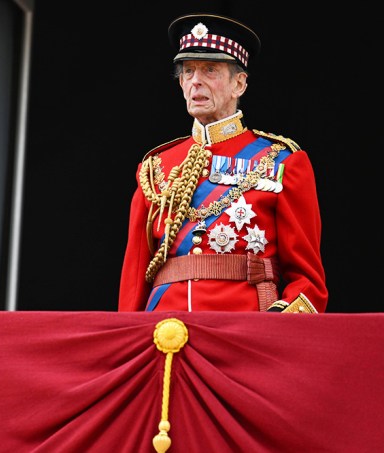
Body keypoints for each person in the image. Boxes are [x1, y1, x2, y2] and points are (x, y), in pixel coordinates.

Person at [118, 13, 328, 313]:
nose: (196, 82)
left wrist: (279, 322)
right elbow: (134, 279)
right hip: (164, 330)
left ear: (239, 84)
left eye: (210, 70)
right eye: (188, 71)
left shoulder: (283, 161)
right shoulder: (156, 167)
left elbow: (308, 280)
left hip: (246, 331)